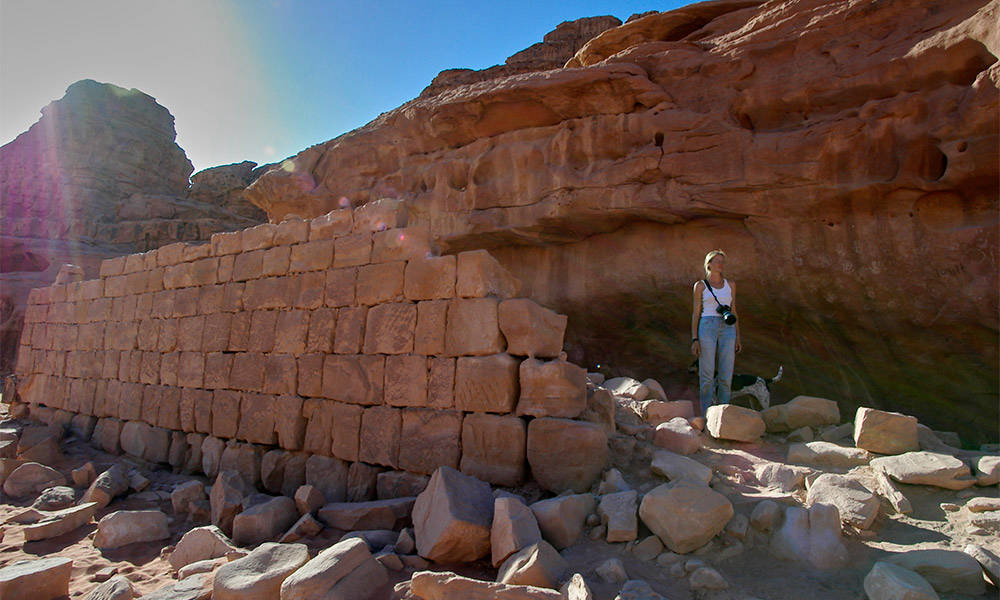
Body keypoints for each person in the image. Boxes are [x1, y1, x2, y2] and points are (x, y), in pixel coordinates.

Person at [691, 249, 742, 416]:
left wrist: (737, 337)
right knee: (706, 375)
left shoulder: (730, 285)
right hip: (707, 326)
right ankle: (706, 415)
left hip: (728, 328)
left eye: (722, 261)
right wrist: (695, 339)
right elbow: (696, 313)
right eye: (717, 261)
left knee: (726, 375)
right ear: (709, 264)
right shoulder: (700, 286)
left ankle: (723, 415)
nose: (720, 264)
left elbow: (734, 311)